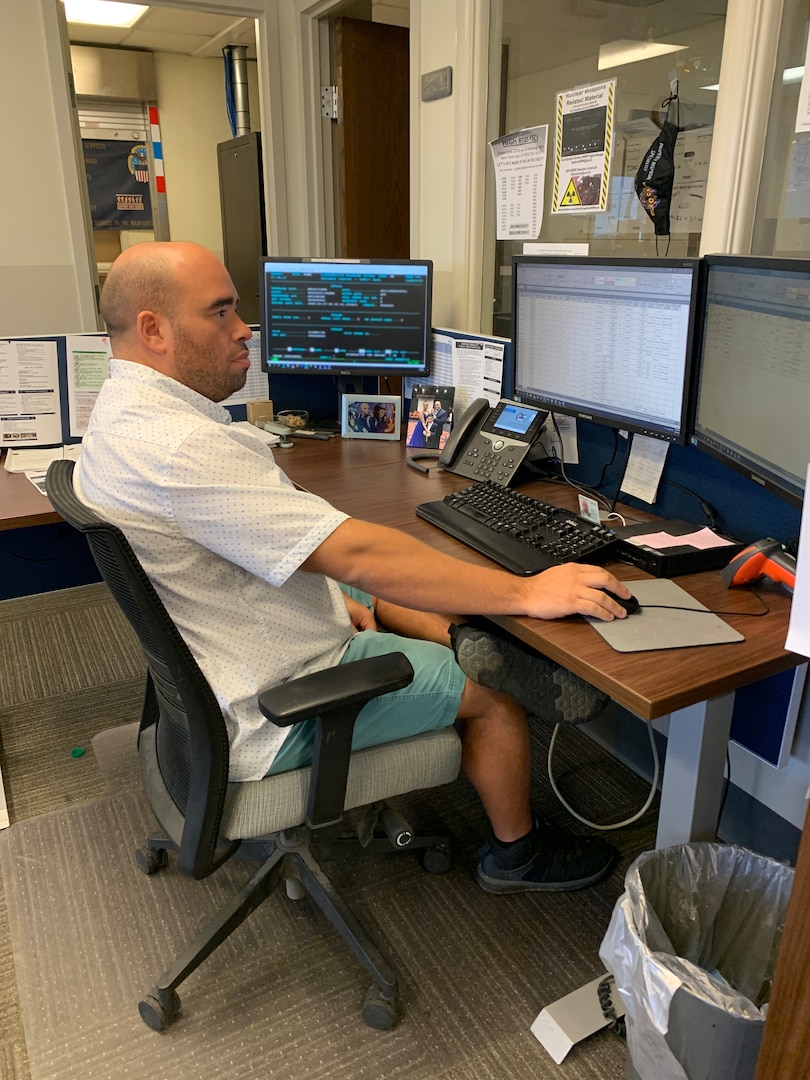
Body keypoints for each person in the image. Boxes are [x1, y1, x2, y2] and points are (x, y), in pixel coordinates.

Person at [76, 241, 635, 895]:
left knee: (362, 586)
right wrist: (527, 591)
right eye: (220, 312)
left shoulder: (119, 416)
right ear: (153, 328)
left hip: (225, 652)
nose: (243, 329)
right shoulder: (180, 448)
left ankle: (457, 637)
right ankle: (518, 853)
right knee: (493, 695)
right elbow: (359, 554)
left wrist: (335, 592)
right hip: (275, 706)